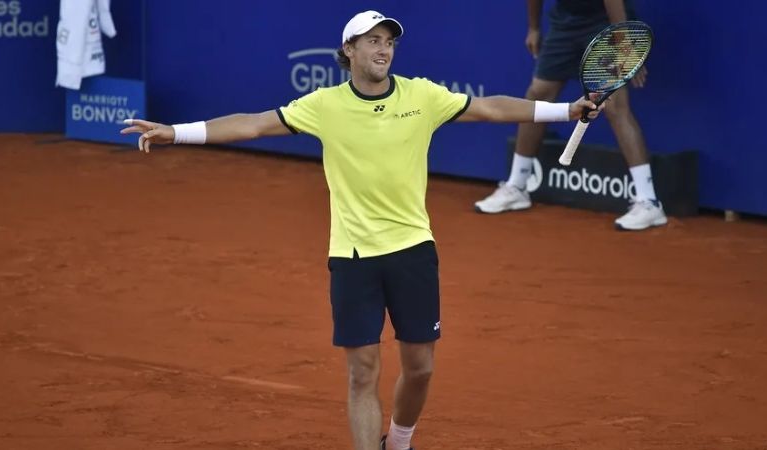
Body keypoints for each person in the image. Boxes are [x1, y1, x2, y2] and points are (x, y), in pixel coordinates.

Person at [121, 10, 601, 450]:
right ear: (349, 50)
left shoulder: (423, 96)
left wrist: (566, 110)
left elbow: (491, 108)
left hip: (413, 250)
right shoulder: (324, 105)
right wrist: (176, 131)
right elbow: (253, 125)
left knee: (421, 368)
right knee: (362, 373)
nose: (383, 49)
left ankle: (401, 439)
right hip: (352, 257)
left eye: (389, 41)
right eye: (372, 41)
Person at [474, 0, 667, 231]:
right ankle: (517, 186)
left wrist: (622, 42)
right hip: (565, 24)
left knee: (615, 105)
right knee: (538, 93)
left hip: (605, 22)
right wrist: (534, 27)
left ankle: (649, 202)